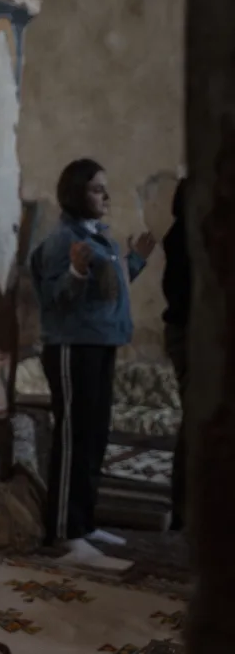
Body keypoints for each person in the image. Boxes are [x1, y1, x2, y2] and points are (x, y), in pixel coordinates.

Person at [29, 158, 157, 570]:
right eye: (97, 189)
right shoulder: (62, 241)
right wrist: (75, 270)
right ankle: (66, 534)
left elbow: (110, 292)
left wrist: (135, 260)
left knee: (95, 436)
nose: (106, 196)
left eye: (104, 188)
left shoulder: (98, 237)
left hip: (101, 343)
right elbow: (57, 300)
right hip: (72, 347)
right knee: (74, 437)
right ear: (76, 193)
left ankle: (84, 523)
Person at [161, 178, 189, 530]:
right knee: (198, 419)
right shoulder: (185, 237)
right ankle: (184, 510)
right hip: (189, 333)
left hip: (189, 333)